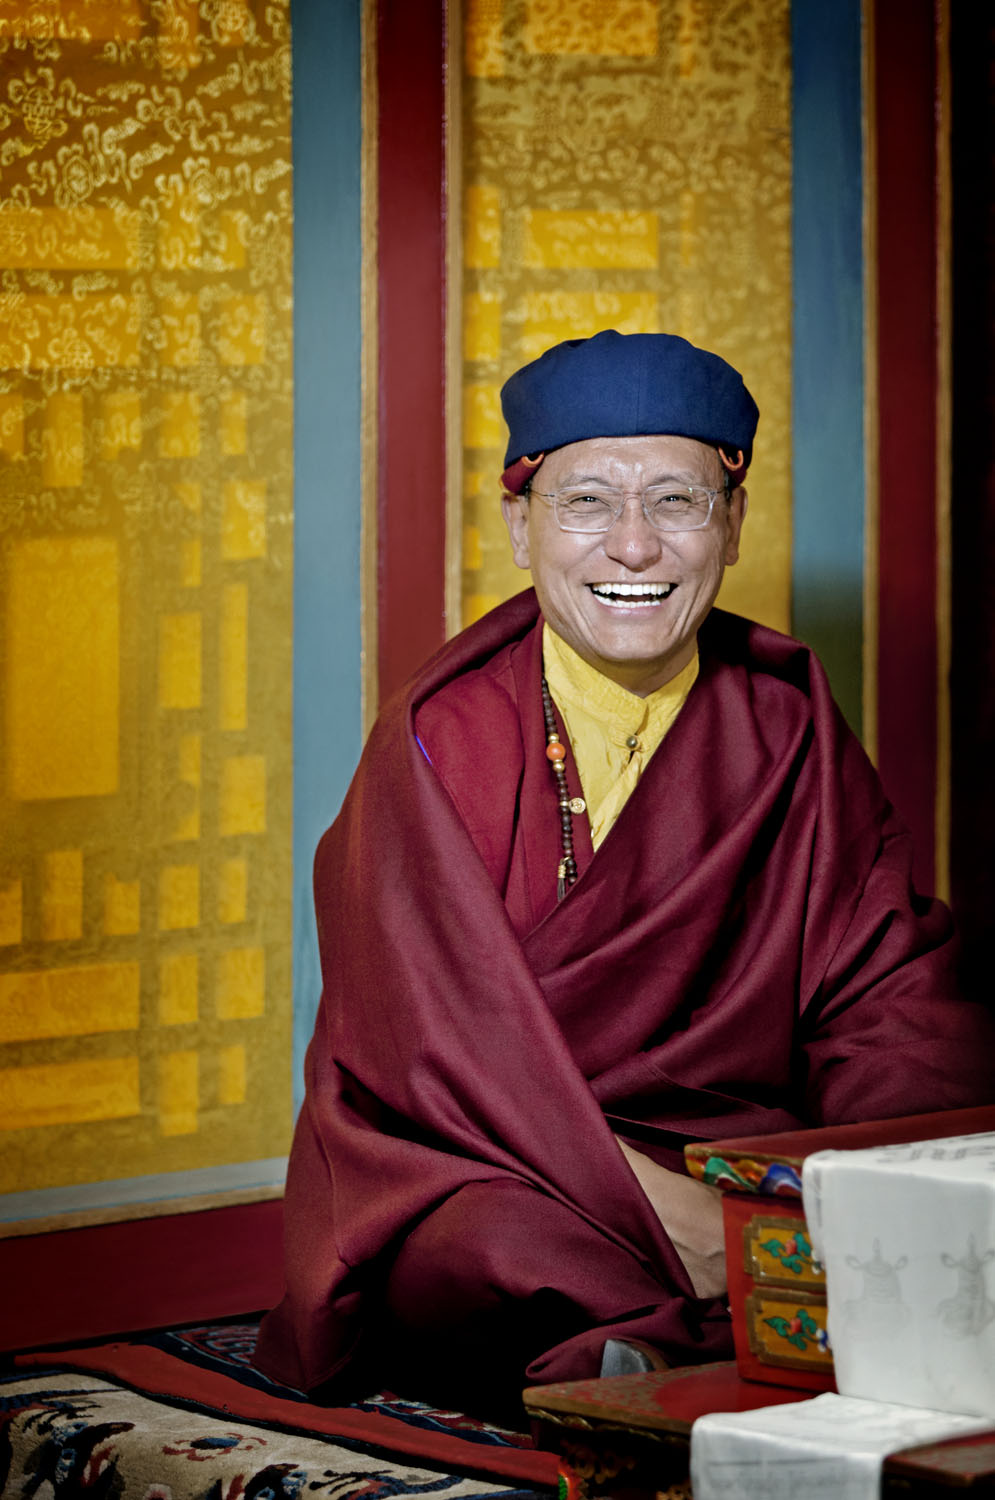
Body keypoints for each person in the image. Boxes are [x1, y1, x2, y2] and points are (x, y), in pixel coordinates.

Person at [254, 331, 992, 1420]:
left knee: (946, 1148)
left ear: (731, 524)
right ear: (520, 525)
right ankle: (717, 1328)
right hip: (498, 1163)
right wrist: (666, 1220)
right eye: (586, 501)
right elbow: (431, 1067)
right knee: (482, 1255)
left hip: (736, 1165)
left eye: (677, 503)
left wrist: (864, 1182)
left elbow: (879, 984)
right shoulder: (442, 738)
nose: (633, 548)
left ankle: (669, 1346)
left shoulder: (783, 721)